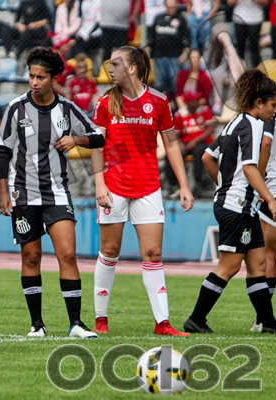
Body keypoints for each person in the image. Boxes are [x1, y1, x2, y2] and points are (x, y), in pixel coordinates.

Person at [0, 47, 105, 339]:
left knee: (67, 254)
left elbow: (99, 136)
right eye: (31, 76)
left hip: (57, 192)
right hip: (22, 193)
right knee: (31, 257)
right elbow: (3, 151)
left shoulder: (67, 109)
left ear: (54, 79)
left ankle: (76, 324)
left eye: (40, 77)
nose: (34, 82)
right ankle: (37, 324)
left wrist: (76, 140)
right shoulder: (16, 108)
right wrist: (3, 191)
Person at [91, 46, 194, 336]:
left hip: (148, 187)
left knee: (153, 252)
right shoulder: (105, 102)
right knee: (110, 251)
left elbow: (171, 144)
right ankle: (101, 320)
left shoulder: (159, 101)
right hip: (113, 187)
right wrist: (99, 183)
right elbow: (97, 145)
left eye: (115, 64)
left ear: (132, 68)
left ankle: (163, 323)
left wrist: (184, 185)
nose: (110, 69)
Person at [184, 69, 276, 335]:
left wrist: (223, 184)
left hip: (242, 206)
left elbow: (208, 157)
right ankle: (196, 319)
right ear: (259, 103)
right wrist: (270, 200)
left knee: (258, 265)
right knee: (229, 266)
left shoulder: (235, 122)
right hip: (237, 207)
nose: (275, 111)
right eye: (273, 105)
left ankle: (268, 322)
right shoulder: (253, 126)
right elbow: (250, 168)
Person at [253, 64, 276, 331]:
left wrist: (258, 181)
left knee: (269, 256)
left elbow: (265, 144)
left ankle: (262, 319)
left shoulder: (274, 112)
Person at [147, 0, 190, 98]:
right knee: (159, 86)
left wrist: (185, 54)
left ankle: (175, 104)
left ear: (177, 6)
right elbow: (151, 38)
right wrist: (148, 52)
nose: (171, 9)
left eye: (173, 7)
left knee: (175, 85)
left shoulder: (181, 19)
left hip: (175, 57)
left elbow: (188, 39)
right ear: (165, 6)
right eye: (169, 7)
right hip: (159, 56)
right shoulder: (158, 18)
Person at [227, 0, 267, 69]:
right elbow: (230, 2)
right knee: (240, 47)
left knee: (254, 47)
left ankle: (256, 72)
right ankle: (239, 70)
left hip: (255, 20)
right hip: (239, 18)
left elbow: (265, 2)